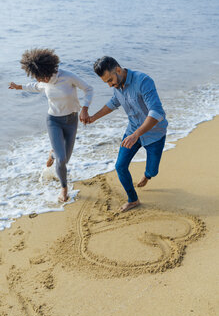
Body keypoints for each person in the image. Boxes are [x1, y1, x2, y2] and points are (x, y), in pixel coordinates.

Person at [9, 48, 93, 202]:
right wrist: (18, 86)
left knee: (64, 159)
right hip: (53, 121)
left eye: (43, 77)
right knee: (61, 160)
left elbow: (88, 89)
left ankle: (53, 154)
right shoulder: (42, 81)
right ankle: (64, 188)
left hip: (72, 121)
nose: (41, 80)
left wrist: (85, 109)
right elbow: (35, 87)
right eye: (38, 77)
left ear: (49, 69)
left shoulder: (67, 76)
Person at [88, 56, 168, 212]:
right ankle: (133, 200)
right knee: (120, 166)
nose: (110, 85)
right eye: (107, 83)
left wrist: (137, 134)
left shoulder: (143, 81)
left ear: (118, 70)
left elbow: (157, 112)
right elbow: (113, 102)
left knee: (153, 170)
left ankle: (148, 175)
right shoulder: (117, 85)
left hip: (155, 133)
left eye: (110, 80)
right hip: (132, 130)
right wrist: (93, 118)